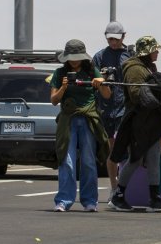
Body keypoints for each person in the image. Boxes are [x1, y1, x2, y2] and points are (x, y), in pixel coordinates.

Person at [109, 36, 161, 212]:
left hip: (151, 121)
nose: (157, 52)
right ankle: (118, 196)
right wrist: (156, 89)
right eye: (155, 49)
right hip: (138, 122)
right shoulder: (134, 69)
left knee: (154, 158)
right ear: (147, 51)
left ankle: (154, 198)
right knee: (136, 159)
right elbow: (136, 94)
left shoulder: (148, 67)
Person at [50, 39, 111, 212]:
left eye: (77, 57)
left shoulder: (92, 71)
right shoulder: (60, 73)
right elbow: (54, 100)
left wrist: (101, 82)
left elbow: (107, 95)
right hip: (68, 120)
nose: (74, 61)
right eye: (71, 57)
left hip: (88, 120)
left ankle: (90, 201)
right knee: (66, 161)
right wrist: (63, 87)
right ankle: (63, 200)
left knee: (88, 161)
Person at [92, 20, 133, 197]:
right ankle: (114, 188)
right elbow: (92, 82)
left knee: (127, 150)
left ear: (123, 37)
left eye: (116, 39)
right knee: (113, 151)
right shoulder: (100, 56)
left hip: (125, 109)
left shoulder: (130, 56)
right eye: (110, 39)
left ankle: (126, 186)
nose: (113, 42)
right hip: (107, 110)